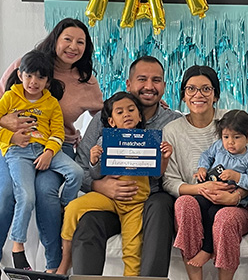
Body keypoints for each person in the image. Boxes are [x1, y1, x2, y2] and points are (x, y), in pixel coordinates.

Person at [0, 18, 103, 271]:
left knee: (46, 196)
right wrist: (8, 127)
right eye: (67, 39)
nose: (73, 46)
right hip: (13, 144)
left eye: (81, 42)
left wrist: (143, 108)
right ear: (55, 39)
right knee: (6, 194)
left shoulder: (86, 80)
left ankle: (54, 267)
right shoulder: (25, 64)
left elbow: (107, 114)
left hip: (57, 146)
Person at [71, 55, 181, 277]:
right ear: (129, 84)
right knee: (88, 221)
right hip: (111, 200)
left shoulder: (173, 122)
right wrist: (99, 186)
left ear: (165, 86)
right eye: (142, 79)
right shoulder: (105, 118)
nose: (149, 86)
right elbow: (80, 167)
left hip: (152, 199)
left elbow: (177, 172)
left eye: (156, 80)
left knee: (160, 206)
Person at [56, 92, 172, 275]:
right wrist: (94, 161)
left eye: (131, 110)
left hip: (135, 204)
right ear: (111, 121)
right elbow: (95, 174)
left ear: (139, 116)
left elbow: (156, 174)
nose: (126, 114)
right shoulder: (105, 141)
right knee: (73, 208)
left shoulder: (148, 140)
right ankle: (65, 260)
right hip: (107, 198)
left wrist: (164, 158)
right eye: (120, 112)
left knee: (132, 250)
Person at [163, 65, 248, 280]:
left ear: (215, 94)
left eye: (206, 89)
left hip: (235, 203)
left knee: (225, 217)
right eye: (191, 89)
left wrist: (235, 196)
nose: (198, 95)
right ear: (183, 95)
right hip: (199, 200)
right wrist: (201, 187)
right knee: (184, 204)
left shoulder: (232, 120)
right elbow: (169, 182)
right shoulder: (172, 130)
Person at [190, 109, 248, 267]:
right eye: (226, 137)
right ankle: (198, 241)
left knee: (213, 212)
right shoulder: (219, 147)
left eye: (236, 138)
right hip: (212, 192)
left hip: (234, 201)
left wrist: (237, 177)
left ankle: (208, 248)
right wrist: (202, 168)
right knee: (197, 204)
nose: (230, 142)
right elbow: (206, 156)